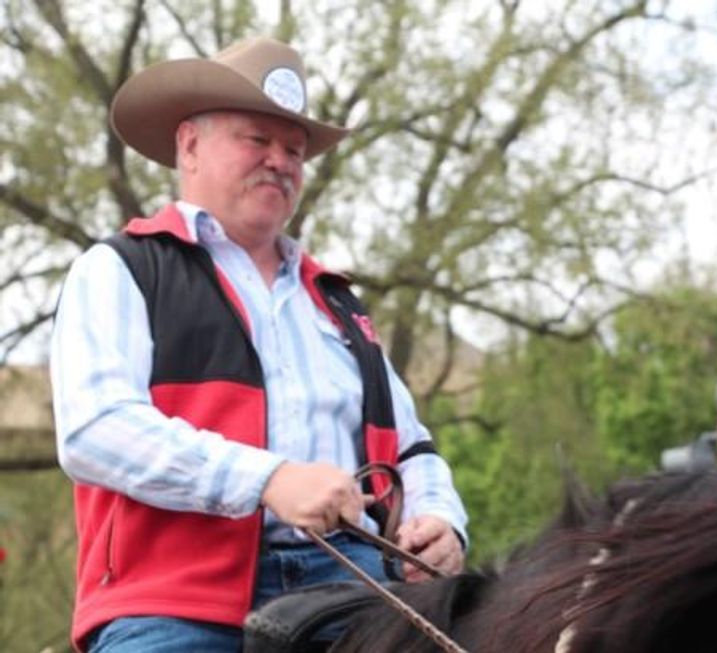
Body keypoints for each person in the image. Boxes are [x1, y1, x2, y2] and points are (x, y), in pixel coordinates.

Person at [50, 37, 467, 652]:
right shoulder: (120, 269)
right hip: (173, 598)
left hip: (355, 589)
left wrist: (440, 519)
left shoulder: (339, 304)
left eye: (294, 150)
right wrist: (268, 479)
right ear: (189, 144)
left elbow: (412, 447)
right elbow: (95, 428)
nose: (280, 161)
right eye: (258, 139)